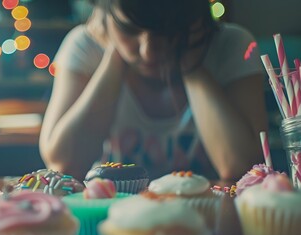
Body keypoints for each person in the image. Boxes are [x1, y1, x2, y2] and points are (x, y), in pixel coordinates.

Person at [39, 0, 268, 181]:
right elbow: (63, 164)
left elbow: (241, 166)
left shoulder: (231, 43)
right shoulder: (85, 46)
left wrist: (191, 66)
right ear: (104, 18)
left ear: (195, 22)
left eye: (165, 32)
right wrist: (112, 59)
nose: (148, 52)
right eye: (129, 29)